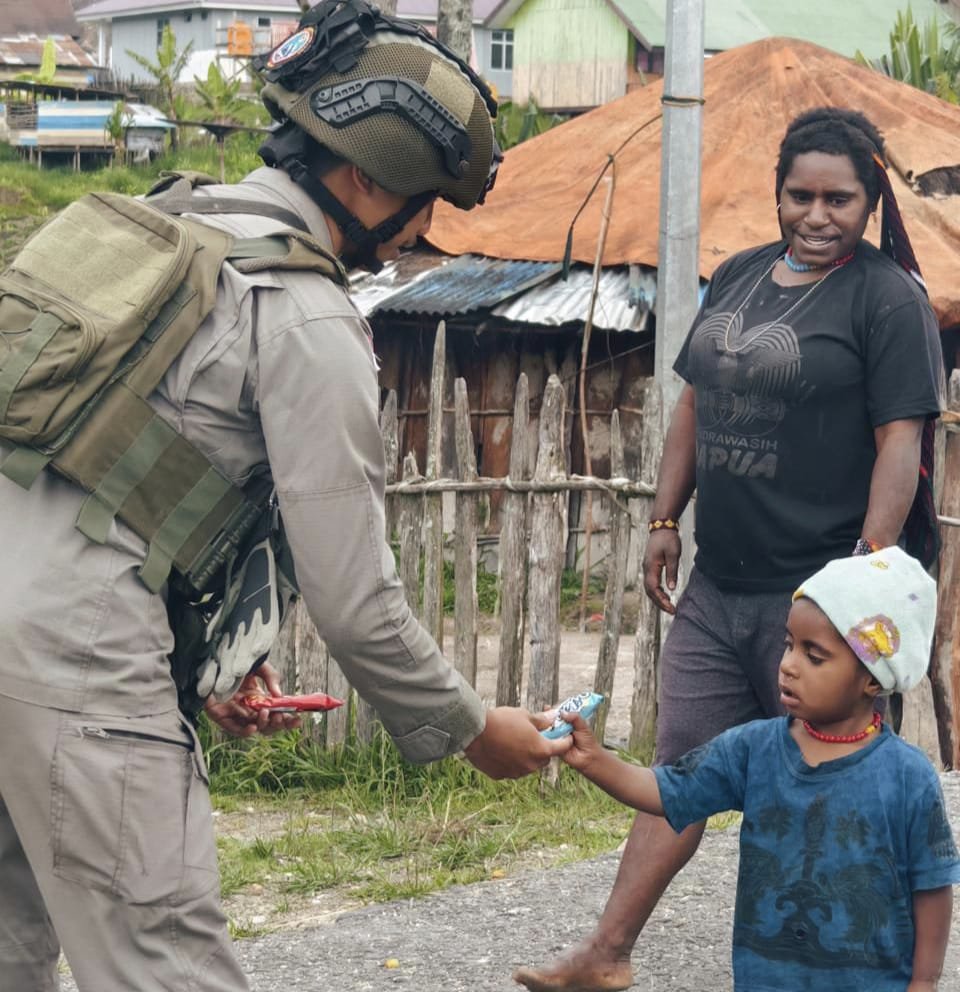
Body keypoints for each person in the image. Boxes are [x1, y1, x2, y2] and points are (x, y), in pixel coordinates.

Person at [0, 4, 572, 990]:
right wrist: (476, 727)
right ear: (362, 178)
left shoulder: (158, 229)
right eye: (424, 202)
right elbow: (357, 601)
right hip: (80, 675)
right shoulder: (305, 316)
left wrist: (219, 653)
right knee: (166, 965)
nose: (418, 234)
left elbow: (128, 483)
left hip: (29, 644)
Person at [515, 106, 946, 992]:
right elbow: (692, 406)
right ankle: (606, 954)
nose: (818, 216)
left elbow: (902, 440)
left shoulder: (888, 300)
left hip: (820, 602)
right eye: (801, 196)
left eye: (840, 199)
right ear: (776, 193)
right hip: (721, 579)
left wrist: (862, 578)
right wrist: (666, 519)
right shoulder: (740, 276)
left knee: (848, 793)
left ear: (870, 203)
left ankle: (880, 971)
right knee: (684, 767)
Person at [552, 547, 960, 992]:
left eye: (814, 655)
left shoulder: (908, 776)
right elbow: (668, 790)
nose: (787, 665)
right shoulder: (754, 748)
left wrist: (925, 981)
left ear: (873, 679)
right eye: (788, 644)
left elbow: (932, 885)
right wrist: (594, 760)